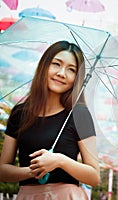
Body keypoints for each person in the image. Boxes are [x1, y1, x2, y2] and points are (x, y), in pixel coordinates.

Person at [0, 41, 100, 199]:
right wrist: (32, 170)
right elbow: (3, 170)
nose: (62, 73)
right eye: (56, 64)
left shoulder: (79, 115)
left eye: (71, 69)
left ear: (77, 78)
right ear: (44, 66)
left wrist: (59, 161)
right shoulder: (19, 113)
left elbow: (94, 176)